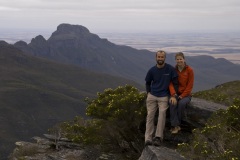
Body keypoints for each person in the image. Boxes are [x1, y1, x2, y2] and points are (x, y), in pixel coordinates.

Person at [144, 50, 178, 146]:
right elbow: (147, 83)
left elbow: (175, 83)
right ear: (156, 58)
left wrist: (173, 95)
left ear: (164, 58)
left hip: (164, 96)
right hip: (152, 96)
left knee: (162, 114)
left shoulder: (170, 69)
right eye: (158, 57)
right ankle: (148, 139)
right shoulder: (152, 70)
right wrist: (148, 93)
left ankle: (158, 137)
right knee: (150, 115)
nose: (160, 59)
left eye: (162, 57)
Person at [169, 52, 194, 134]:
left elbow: (190, 86)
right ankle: (174, 126)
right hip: (176, 93)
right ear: (175, 60)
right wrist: (173, 94)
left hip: (186, 94)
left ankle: (177, 124)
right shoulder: (173, 70)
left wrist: (182, 96)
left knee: (181, 104)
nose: (179, 60)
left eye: (181, 59)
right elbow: (170, 83)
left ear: (184, 59)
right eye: (177, 59)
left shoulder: (189, 70)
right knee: (172, 103)